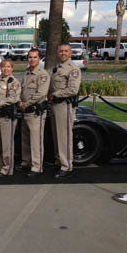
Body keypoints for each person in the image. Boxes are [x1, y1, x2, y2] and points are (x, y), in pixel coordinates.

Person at [48, 43, 82, 179]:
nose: (63, 53)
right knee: (57, 136)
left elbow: (73, 90)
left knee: (64, 137)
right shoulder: (57, 68)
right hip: (55, 106)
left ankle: (67, 166)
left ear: (70, 53)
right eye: (61, 51)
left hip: (64, 105)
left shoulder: (73, 69)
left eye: (66, 51)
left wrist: (56, 94)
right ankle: (59, 161)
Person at [19, 48, 50, 177]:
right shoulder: (26, 74)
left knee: (36, 140)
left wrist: (25, 104)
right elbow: (22, 91)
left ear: (39, 58)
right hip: (25, 111)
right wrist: (20, 101)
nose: (32, 59)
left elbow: (41, 94)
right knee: (25, 139)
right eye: (30, 57)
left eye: (35, 57)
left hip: (36, 112)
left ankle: (37, 167)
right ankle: (26, 162)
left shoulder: (43, 75)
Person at [0, 59, 21, 176]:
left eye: (8, 67)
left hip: (7, 118)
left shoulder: (13, 82)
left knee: (7, 145)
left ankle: (7, 168)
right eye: (3, 67)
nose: (5, 69)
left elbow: (13, 99)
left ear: (12, 68)